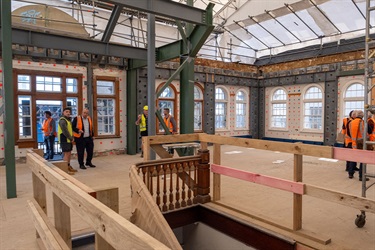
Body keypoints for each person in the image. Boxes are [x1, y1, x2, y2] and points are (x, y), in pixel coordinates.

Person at [347, 110, 371, 181]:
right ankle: (361, 176)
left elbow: (348, 133)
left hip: (354, 143)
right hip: (362, 144)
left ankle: (350, 173)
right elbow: (369, 131)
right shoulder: (363, 122)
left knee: (353, 158)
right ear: (362, 116)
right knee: (362, 160)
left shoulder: (351, 122)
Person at [58, 107, 77, 174]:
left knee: (69, 154)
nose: (68, 113)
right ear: (63, 112)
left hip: (68, 139)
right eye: (66, 112)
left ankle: (68, 166)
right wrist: (71, 138)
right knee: (66, 154)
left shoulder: (68, 120)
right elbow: (65, 131)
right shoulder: (62, 120)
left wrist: (72, 137)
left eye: (69, 112)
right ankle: (65, 170)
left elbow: (70, 130)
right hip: (64, 139)